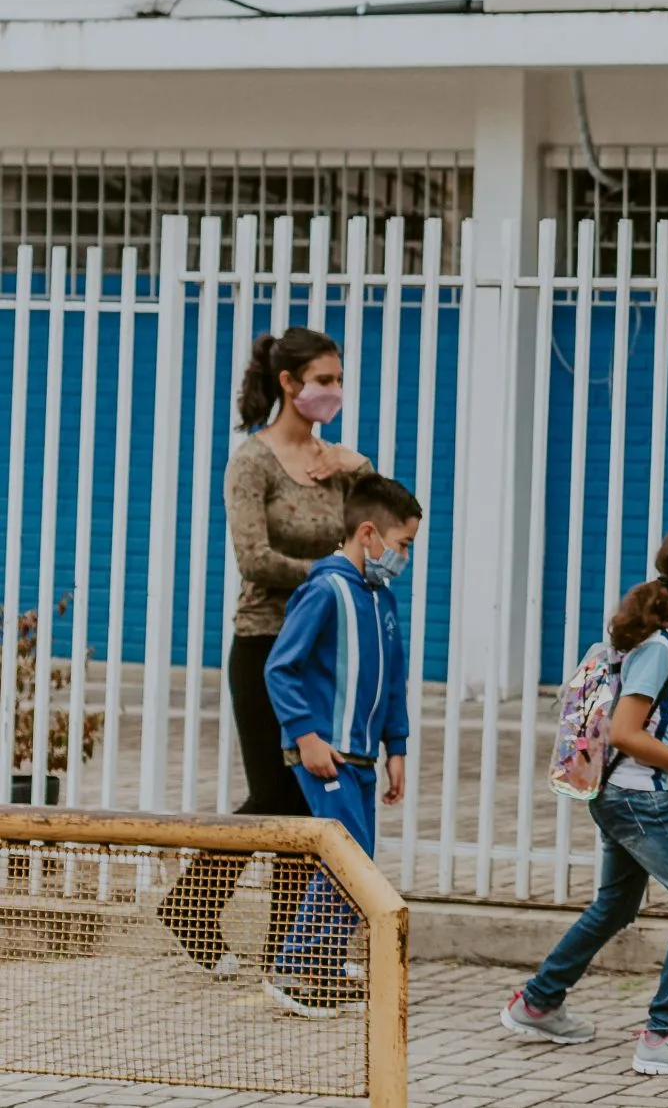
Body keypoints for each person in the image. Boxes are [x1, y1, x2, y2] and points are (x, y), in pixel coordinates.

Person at [502, 523, 668, 1077]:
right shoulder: (660, 647)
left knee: (615, 904)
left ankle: (538, 1003)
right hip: (636, 798)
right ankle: (664, 1034)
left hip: (626, 794)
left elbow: (651, 723)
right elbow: (625, 732)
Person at [160, 327, 370, 978]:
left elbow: (381, 528)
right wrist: (331, 576)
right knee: (276, 796)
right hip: (265, 643)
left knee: (311, 796)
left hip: (323, 651)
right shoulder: (252, 461)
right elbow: (253, 557)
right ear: (289, 382)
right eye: (324, 380)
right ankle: (194, 903)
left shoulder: (333, 460)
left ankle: (288, 947)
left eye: (338, 380)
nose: (334, 391)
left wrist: (358, 467)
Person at [260, 472, 418, 1019]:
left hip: (365, 757)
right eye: (403, 545)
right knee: (346, 862)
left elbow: (394, 681)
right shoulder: (324, 591)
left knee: (360, 861)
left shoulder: (385, 599)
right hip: (326, 753)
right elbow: (281, 667)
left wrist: (396, 746)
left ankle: (323, 963)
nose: (404, 557)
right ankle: (296, 965)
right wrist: (306, 736)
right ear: (369, 533)